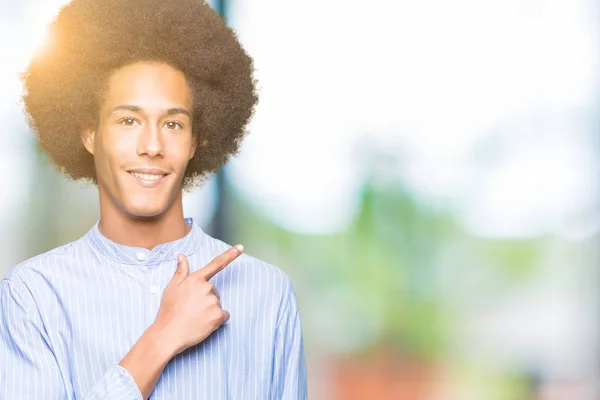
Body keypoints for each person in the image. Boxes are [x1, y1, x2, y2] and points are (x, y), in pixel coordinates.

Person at [0, 0, 307, 398]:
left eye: (173, 123)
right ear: (89, 134)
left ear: (195, 140)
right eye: (129, 120)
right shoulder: (35, 293)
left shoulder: (266, 291)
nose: (152, 145)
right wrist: (163, 337)